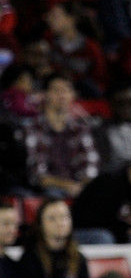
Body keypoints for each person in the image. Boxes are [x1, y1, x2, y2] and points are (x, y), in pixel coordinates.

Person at [22, 73, 98, 202]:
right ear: (45, 94)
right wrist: (68, 186)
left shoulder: (80, 128)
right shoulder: (33, 127)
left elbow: (90, 166)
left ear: (73, 95)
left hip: (79, 187)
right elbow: (38, 175)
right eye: (56, 90)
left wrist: (82, 186)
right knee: (54, 196)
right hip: (49, 189)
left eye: (67, 90)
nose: (62, 95)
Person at [17, 199, 91, 278]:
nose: (60, 223)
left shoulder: (78, 257)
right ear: (40, 224)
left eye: (65, 217)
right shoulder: (30, 258)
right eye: (52, 218)